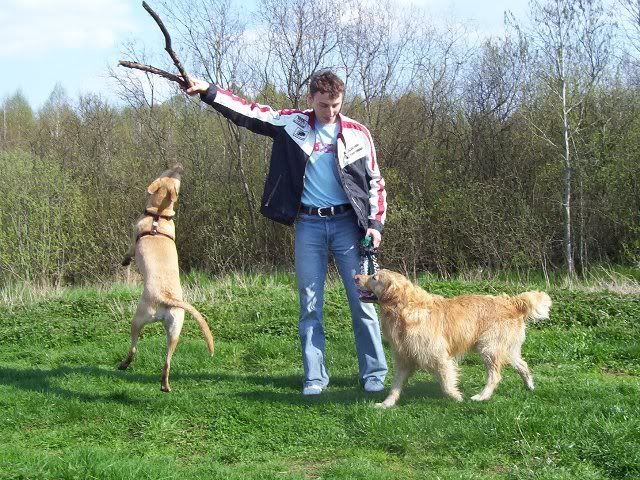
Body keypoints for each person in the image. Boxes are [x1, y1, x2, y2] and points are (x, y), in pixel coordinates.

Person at [185, 70, 387, 395]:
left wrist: (375, 226)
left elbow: (375, 183)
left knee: (362, 300)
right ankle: (315, 378)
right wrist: (208, 91)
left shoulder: (358, 133)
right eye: (323, 105)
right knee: (310, 304)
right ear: (311, 100)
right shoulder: (292, 124)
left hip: (348, 226)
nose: (330, 111)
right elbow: (249, 112)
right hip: (309, 225)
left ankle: (374, 374)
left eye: (336, 105)